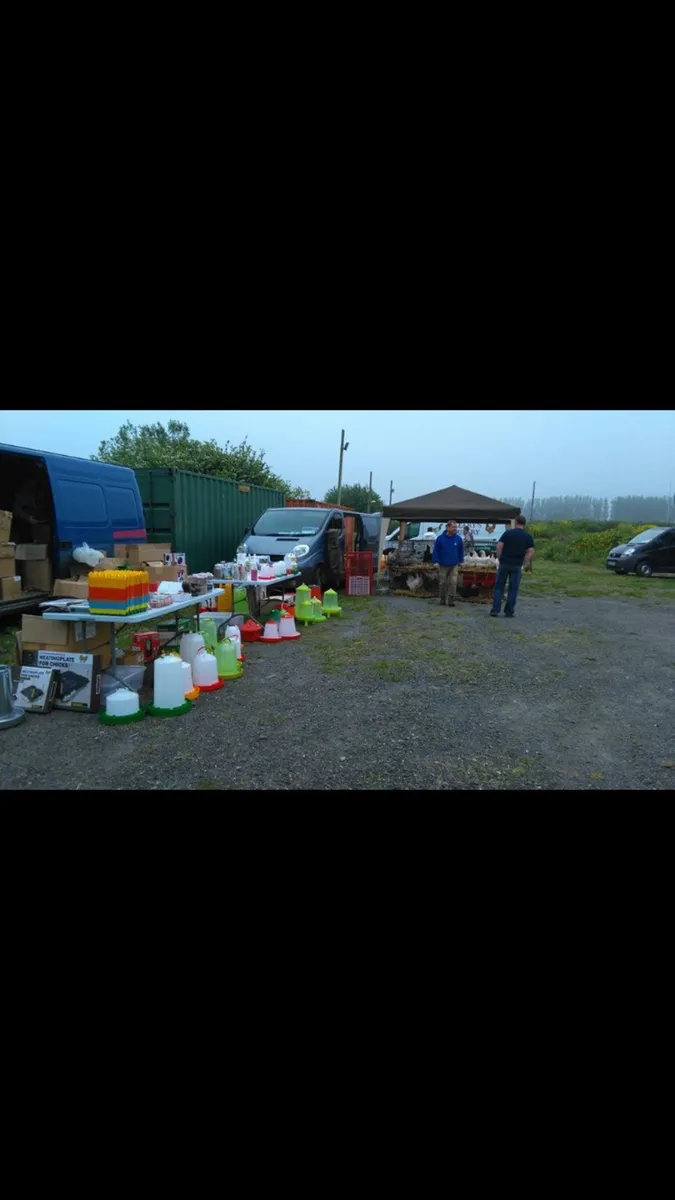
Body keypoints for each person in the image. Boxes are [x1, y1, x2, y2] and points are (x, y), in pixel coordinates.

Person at [489, 515, 535, 618]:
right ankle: (509, 611)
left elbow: (499, 546)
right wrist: (525, 562)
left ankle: (495, 610)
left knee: (499, 587)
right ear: (524, 524)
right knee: (513, 588)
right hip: (517, 565)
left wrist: (500, 558)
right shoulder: (527, 536)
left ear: (515, 523)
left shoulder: (507, 533)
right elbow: (531, 551)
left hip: (504, 563)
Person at [432, 519, 464, 606]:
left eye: (456, 527)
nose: (455, 529)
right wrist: (435, 561)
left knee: (453, 582)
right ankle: (442, 598)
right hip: (442, 564)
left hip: (454, 565)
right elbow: (435, 551)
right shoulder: (440, 539)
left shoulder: (458, 539)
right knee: (442, 583)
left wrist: (461, 561)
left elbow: (461, 551)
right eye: (453, 527)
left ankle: (451, 600)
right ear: (448, 527)